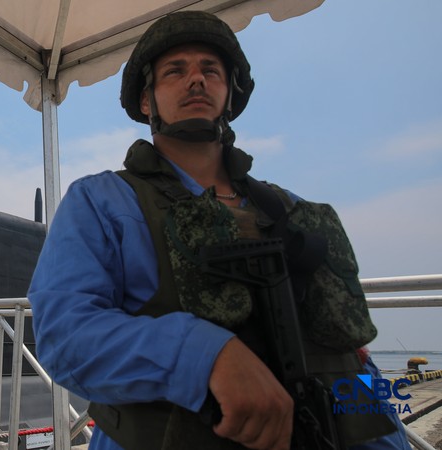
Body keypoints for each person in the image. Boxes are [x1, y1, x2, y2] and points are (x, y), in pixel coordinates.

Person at [27, 11, 411, 450]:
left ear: (229, 95)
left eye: (211, 70)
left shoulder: (292, 211)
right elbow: (65, 336)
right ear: (147, 101)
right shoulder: (102, 202)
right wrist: (203, 355)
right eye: (175, 71)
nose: (196, 80)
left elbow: (350, 360)